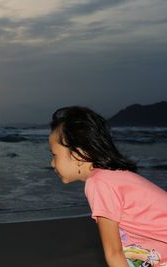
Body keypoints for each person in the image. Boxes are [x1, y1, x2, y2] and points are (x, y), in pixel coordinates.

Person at [48, 106, 167, 267]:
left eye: (54, 155)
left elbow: (113, 252)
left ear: (77, 154)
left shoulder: (99, 183)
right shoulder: (113, 177)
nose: (52, 163)